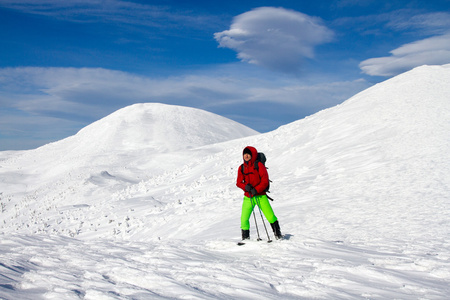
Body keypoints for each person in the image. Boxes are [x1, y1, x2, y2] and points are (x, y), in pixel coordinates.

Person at [236, 146, 282, 241]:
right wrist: (245, 187)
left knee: (270, 216)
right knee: (243, 219)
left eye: (248, 154)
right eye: (245, 154)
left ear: (252, 155)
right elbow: (238, 182)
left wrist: (256, 190)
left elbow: (264, 181)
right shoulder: (241, 168)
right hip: (248, 197)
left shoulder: (259, 165)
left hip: (260, 196)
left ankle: (278, 235)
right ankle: (245, 239)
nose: (246, 156)